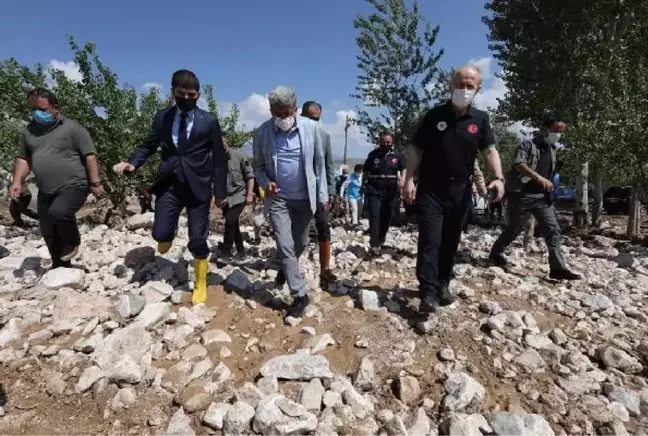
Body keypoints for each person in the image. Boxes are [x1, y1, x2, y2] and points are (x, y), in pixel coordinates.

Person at [113, 70, 227, 305]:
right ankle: (167, 235)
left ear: (198, 94)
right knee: (161, 234)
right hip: (169, 185)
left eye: (192, 95)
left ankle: (200, 284)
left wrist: (221, 192)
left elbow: (219, 159)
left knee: (198, 238)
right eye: (181, 94)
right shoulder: (161, 117)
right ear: (173, 91)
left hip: (199, 186)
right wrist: (132, 163)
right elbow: (148, 145)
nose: (186, 99)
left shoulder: (209, 121)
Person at [403, 66, 505, 314]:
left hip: (460, 190)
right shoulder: (433, 116)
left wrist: (499, 177)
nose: (465, 89)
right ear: (450, 86)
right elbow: (415, 149)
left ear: (478, 89)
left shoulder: (481, 119)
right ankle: (427, 292)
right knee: (430, 241)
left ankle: (443, 284)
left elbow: (490, 150)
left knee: (451, 241)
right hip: (431, 188)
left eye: (471, 86)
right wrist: (408, 179)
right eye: (460, 84)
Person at [253, 86, 328, 318]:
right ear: (270, 110)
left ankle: (287, 271)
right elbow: (258, 166)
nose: (282, 118)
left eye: (286, 113)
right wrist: (266, 182)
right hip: (279, 199)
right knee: (284, 244)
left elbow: (319, 165)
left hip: (305, 198)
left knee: (301, 242)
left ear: (295, 109)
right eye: (278, 114)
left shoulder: (312, 129)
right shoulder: (262, 132)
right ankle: (299, 294)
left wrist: (323, 196)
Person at [9, 88, 104, 268]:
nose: (37, 114)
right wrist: (17, 182)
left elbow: (90, 156)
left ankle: (73, 241)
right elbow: (24, 159)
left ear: (55, 108)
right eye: (33, 109)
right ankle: (60, 266)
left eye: (42, 110)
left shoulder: (73, 129)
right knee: (48, 229)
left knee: (60, 212)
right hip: (46, 188)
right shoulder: (28, 131)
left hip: (74, 184)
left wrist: (95, 183)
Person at [489, 116, 581, 280]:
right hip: (520, 194)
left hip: (541, 198)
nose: (558, 135)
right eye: (555, 131)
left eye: (561, 132)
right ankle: (495, 252)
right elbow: (519, 164)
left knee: (553, 230)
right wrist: (539, 178)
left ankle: (558, 268)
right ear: (544, 129)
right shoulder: (526, 145)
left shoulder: (552, 149)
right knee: (513, 230)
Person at [301, 101, 337, 285]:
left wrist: (331, 191)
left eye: (317, 119)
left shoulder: (324, 137)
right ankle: (287, 268)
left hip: (319, 191)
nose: (314, 122)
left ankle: (325, 269)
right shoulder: (294, 135)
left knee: (324, 225)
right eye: (310, 118)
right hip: (298, 191)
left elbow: (329, 166)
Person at [362, 131, 406, 255]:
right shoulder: (373, 155)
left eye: (388, 142)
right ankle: (374, 244)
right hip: (374, 188)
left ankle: (381, 239)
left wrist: (402, 180)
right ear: (379, 142)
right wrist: (362, 186)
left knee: (386, 216)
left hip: (391, 190)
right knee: (375, 215)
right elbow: (366, 171)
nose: (386, 144)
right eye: (383, 142)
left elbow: (404, 169)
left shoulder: (397, 156)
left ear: (392, 143)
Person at [218, 138, 255, 259]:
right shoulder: (215, 159)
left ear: (227, 144)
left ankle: (225, 253)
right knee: (234, 225)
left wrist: (250, 194)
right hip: (225, 198)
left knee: (230, 221)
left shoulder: (239, 156)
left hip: (239, 196)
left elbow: (250, 177)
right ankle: (241, 252)